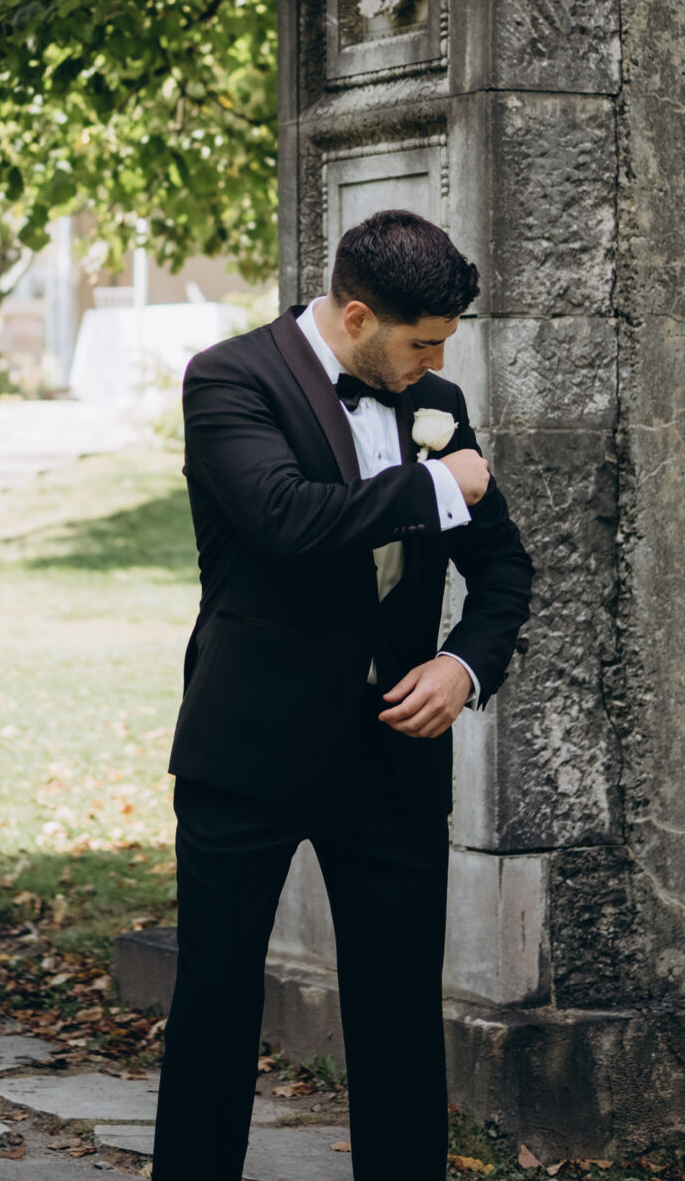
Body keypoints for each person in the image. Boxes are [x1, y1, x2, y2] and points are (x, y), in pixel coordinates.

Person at [150, 208, 534, 1181]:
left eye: (442, 345)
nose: (434, 364)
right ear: (357, 316)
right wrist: (440, 488)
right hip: (249, 749)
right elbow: (284, 520)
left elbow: (503, 571)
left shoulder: (435, 400)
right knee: (215, 1010)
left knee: (400, 1021)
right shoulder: (229, 378)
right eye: (420, 344)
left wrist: (461, 665)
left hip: (392, 755)